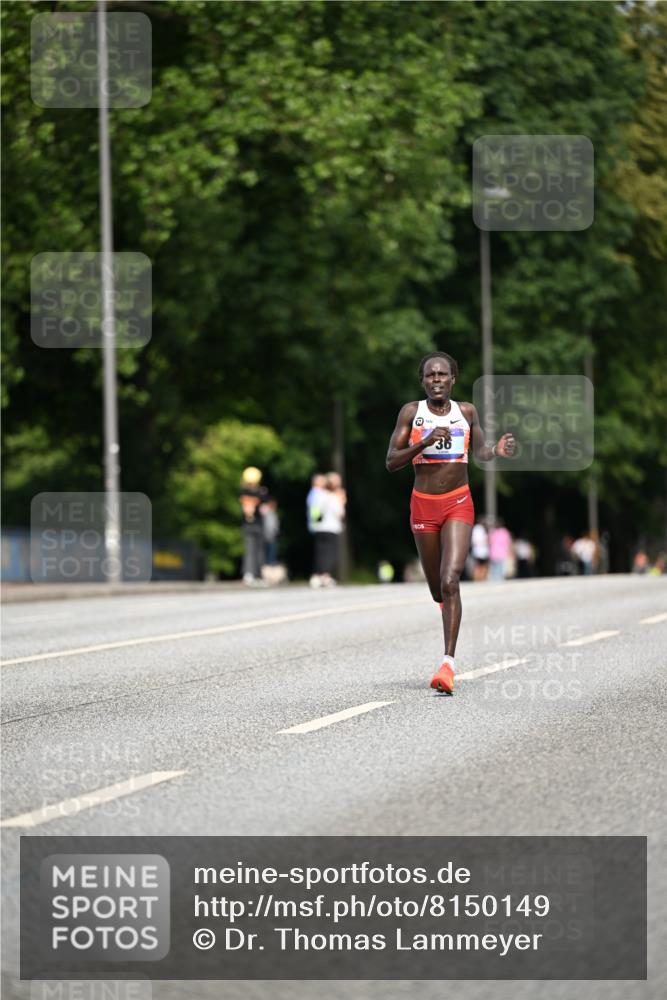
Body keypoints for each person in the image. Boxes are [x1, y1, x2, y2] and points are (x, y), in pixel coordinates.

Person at [386, 351, 515, 693]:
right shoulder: (411, 413)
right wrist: (424, 443)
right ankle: (445, 604)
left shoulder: (466, 412)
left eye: (442, 374)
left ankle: (447, 664)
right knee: (436, 589)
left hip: (458, 502)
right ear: (422, 381)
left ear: (453, 379)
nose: (437, 379)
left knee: (450, 580)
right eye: (430, 375)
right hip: (423, 506)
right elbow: (391, 461)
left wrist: (496, 450)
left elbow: (480, 451)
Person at [309, 472, 346, 587]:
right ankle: (325, 576)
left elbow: (314, 511)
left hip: (319, 528)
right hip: (331, 528)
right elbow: (340, 513)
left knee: (320, 552)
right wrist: (342, 501)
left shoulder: (319, 495)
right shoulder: (335, 497)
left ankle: (317, 575)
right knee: (330, 553)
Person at [239, 467, 267, 585]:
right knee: (252, 549)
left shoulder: (245, 492)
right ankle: (252, 574)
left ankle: (255, 574)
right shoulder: (258, 492)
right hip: (253, 524)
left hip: (253, 524)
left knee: (256, 550)